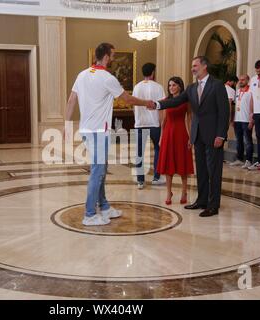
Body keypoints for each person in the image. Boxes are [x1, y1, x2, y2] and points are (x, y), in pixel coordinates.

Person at [65, 43, 155, 226]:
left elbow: (71, 100)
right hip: (98, 131)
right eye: (112, 55)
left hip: (86, 130)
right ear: (106, 56)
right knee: (97, 172)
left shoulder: (81, 75)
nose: (113, 59)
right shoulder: (107, 78)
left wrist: (66, 126)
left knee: (100, 171)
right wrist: (147, 103)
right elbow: (127, 99)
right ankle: (89, 214)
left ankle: (104, 206)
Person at [150, 56, 230, 217]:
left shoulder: (217, 85)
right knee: (201, 170)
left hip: (214, 136)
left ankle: (213, 205)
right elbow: (177, 100)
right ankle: (201, 201)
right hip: (198, 135)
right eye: (192, 66)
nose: (192, 68)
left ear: (204, 66)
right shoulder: (192, 88)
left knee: (213, 171)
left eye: (195, 65)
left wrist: (221, 135)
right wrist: (157, 104)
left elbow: (224, 112)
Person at [156, 77, 194, 205]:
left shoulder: (186, 101)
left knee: (182, 164)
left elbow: (189, 118)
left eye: (174, 85)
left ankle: (184, 192)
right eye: (170, 85)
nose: (171, 87)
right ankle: (168, 193)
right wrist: (161, 137)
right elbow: (163, 121)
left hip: (182, 133)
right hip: (168, 133)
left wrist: (191, 136)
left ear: (180, 86)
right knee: (168, 165)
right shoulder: (167, 101)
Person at [132, 62, 166, 190]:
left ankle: (140, 181)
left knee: (139, 152)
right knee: (158, 149)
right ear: (153, 72)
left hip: (140, 124)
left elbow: (134, 106)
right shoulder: (158, 87)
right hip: (154, 124)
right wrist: (162, 123)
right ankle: (156, 177)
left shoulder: (137, 87)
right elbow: (162, 107)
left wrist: (137, 119)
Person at [229, 75, 254, 169]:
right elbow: (236, 106)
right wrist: (233, 119)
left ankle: (248, 161)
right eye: (240, 80)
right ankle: (239, 159)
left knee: (248, 141)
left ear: (248, 80)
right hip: (237, 120)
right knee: (239, 141)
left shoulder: (251, 91)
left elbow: (253, 106)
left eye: (243, 80)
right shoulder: (238, 91)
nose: (241, 81)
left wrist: (252, 120)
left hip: (246, 120)